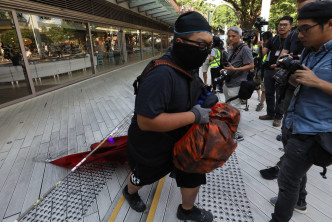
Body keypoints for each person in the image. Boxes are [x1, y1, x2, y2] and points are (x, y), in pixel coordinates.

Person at [123, 11, 214, 222]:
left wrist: (206, 96)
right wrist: (194, 115)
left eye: (210, 45)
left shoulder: (189, 66)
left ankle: (187, 209)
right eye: (201, 45)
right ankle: (130, 191)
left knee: (193, 171)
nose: (206, 51)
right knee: (142, 175)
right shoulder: (162, 74)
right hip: (154, 142)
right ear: (180, 41)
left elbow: (195, 90)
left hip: (184, 137)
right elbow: (146, 121)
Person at [270, 2, 332, 221]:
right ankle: (299, 201)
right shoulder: (309, 50)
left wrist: (319, 83)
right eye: (298, 29)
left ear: (330, 24)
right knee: (295, 176)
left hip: (313, 132)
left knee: (286, 181)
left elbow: (316, 83)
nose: (299, 35)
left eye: (306, 28)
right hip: (293, 123)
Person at [259, 0, 317, 181]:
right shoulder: (297, 39)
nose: (301, 35)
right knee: (288, 132)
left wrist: (318, 82)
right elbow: (283, 55)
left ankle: (282, 169)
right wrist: (285, 64)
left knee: (299, 144)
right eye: (300, 10)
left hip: (314, 111)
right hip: (292, 86)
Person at [258, 16, 293, 127]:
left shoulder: (293, 40)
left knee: (280, 95)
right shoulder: (273, 39)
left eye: (285, 25)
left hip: (283, 72)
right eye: (280, 24)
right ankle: (270, 113)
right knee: (269, 93)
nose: (281, 27)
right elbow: (263, 53)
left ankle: (278, 117)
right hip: (269, 70)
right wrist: (260, 47)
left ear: (290, 26)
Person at [223, 27, 254, 141]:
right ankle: (230, 128)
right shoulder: (231, 48)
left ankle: (238, 134)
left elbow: (251, 66)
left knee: (235, 110)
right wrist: (226, 70)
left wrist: (235, 70)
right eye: (229, 36)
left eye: (233, 36)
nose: (230, 38)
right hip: (228, 82)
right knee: (228, 107)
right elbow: (232, 64)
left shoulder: (245, 49)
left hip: (237, 84)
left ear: (240, 37)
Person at [254, 31, 273, 112]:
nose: (264, 42)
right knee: (254, 84)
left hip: (265, 71)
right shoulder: (261, 47)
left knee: (263, 89)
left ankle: (261, 103)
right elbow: (259, 55)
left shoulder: (272, 48)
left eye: (265, 40)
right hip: (258, 70)